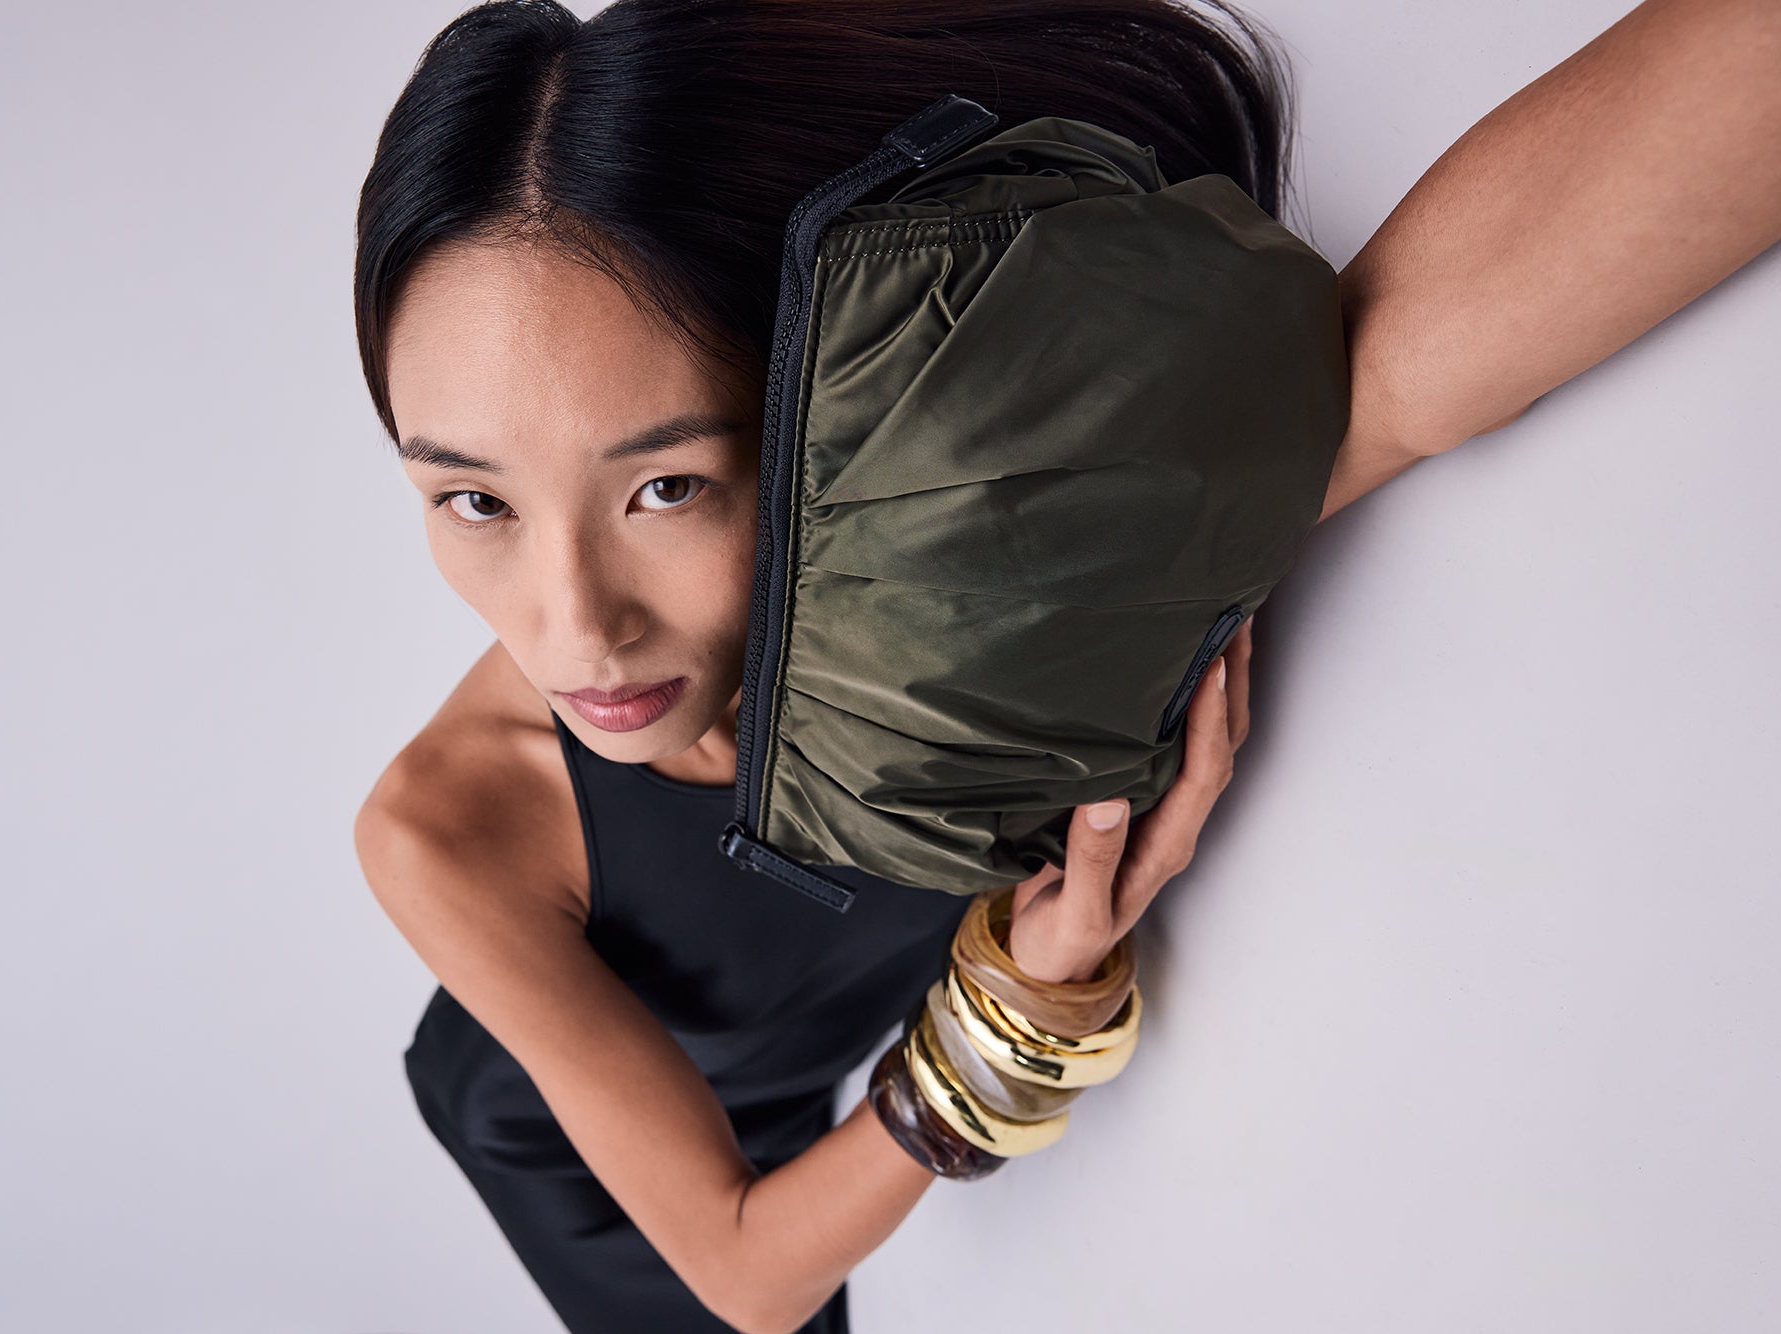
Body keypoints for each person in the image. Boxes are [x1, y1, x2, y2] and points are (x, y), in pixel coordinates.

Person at [348, 1, 1781, 1331]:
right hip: (582, 1161)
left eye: (667, 486)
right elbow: (745, 1269)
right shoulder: (443, 831)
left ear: (810, 407)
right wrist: (1012, 1005)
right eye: (474, 500)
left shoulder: (940, 565)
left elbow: (1387, 388)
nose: (575, 626)